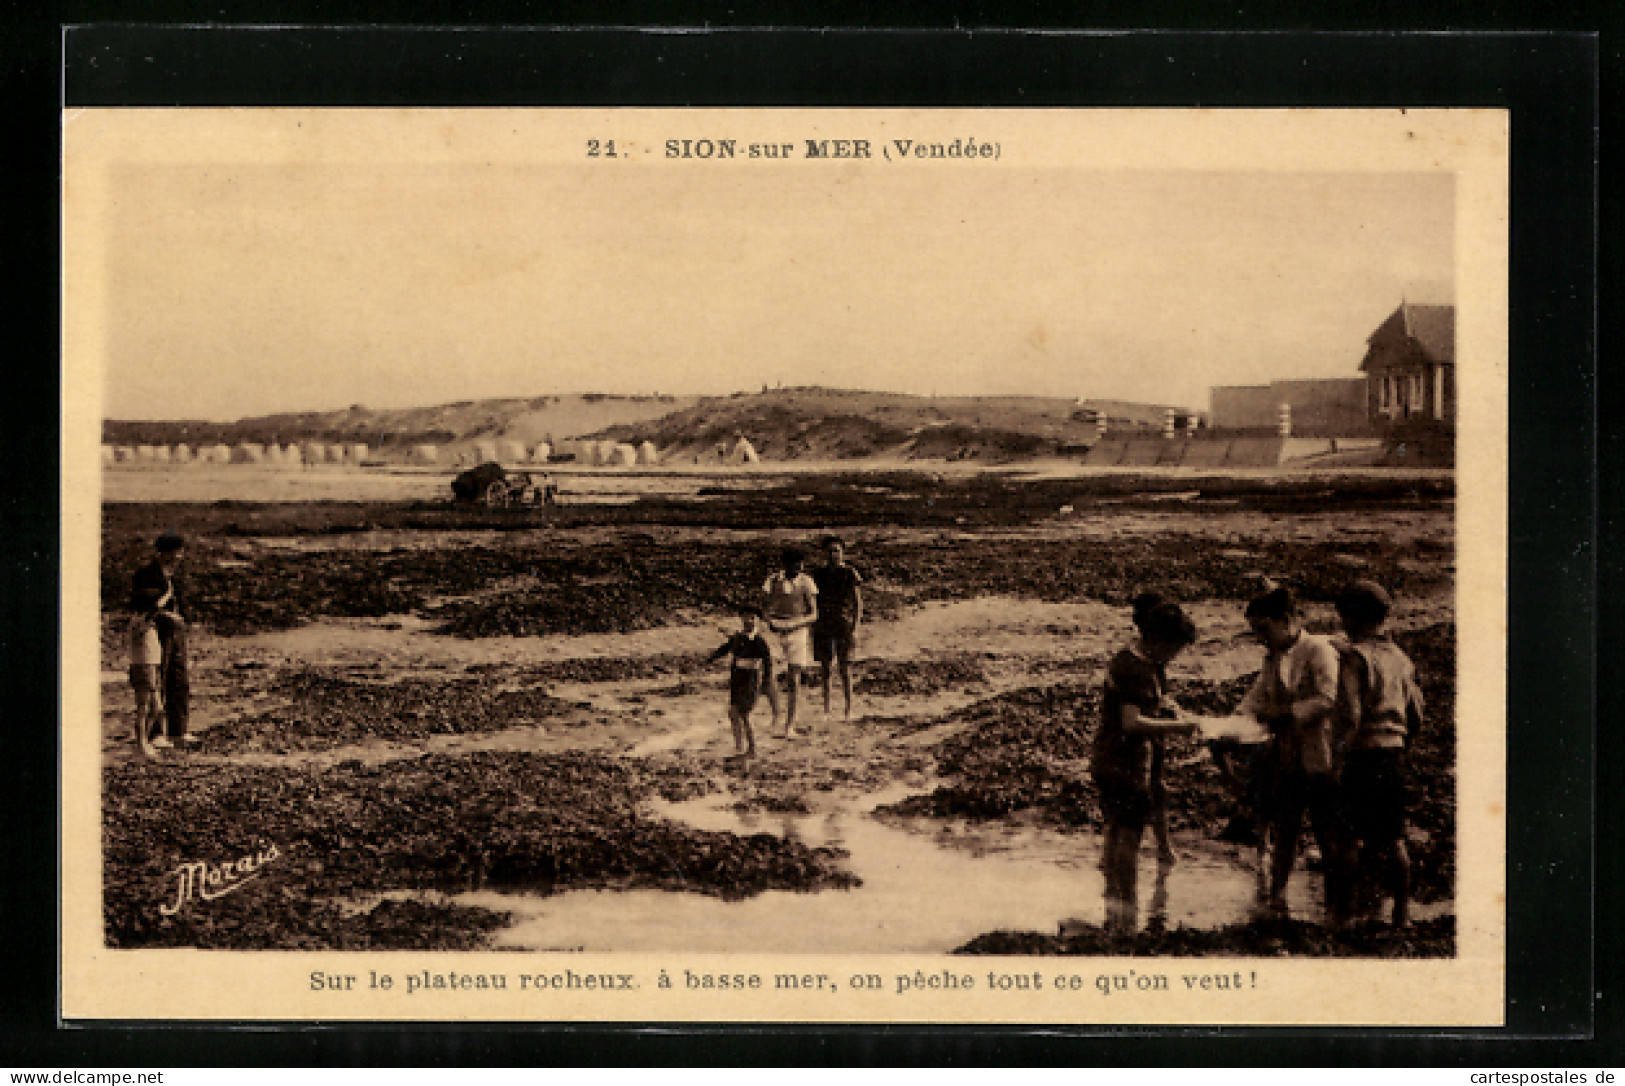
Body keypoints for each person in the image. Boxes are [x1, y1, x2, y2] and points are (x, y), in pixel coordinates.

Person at [1238, 584, 1351, 924]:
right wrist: (1227, 725)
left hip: (1321, 755)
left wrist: (1285, 715)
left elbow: (1327, 699)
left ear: (1286, 621)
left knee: (1325, 831)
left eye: (1263, 629)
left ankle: (1335, 907)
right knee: (1285, 827)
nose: (1260, 637)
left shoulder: (1318, 650)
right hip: (1288, 756)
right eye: (1255, 630)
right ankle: (1276, 897)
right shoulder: (1273, 657)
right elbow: (1255, 698)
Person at [1091, 598, 1199, 934]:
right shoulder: (1133, 668)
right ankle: (1127, 909)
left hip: (1118, 759)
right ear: (1156, 640)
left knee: (1118, 828)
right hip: (1121, 762)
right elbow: (1132, 722)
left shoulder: (1144, 663)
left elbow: (1156, 700)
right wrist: (1179, 728)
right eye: (1174, 650)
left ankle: (1114, 900)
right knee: (1129, 835)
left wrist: (1175, 711)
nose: (1174, 657)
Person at [1333, 579, 1425, 928]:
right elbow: (1417, 711)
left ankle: (1346, 913)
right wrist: (1405, 744)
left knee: (1349, 837)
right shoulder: (1400, 658)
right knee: (1395, 837)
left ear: (1350, 617)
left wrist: (1339, 757)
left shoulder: (1355, 658)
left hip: (1363, 754)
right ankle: (1402, 913)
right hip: (1393, 753)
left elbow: (1352, 715)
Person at [131, 531, 192, 748]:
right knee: (158, 682)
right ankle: (155, 734)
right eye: (174, 552)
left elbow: (182, 601)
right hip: (157, 631)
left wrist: (184, 619)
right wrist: (168, 615)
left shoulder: (176, 575)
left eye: (180, 552)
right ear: (161, 553)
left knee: (180, 680)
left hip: (177, 632)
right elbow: (143, 604)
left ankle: (179, 731)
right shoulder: (146, 574)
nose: (177, 557)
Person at [761, 547, 819, 736]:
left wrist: (795, 624)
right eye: (794, 563)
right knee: (769, 676)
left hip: (798, 630)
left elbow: (813, 614)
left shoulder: (807, 582)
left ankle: (790, 725)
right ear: (786, 564)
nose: (798, 567)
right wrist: (771, 623)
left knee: (794, 678)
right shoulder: (773, 580)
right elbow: (764, 608)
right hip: (776, 630)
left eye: (800, 563)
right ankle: (776, 714)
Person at [706, 606, 774, 760]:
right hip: (737, 677)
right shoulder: (738, 638)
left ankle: (752, 748)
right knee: (733, 712)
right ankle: (738, 747)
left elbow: (768, 663)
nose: (748, 621)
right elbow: (725, 648)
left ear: (758, 621)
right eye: (745, 617)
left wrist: (766, 682)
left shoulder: (759, 641)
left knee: (745, 714)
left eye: (752, 618)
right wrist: (711, 658)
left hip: (751, 678)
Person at [811, 535, 864, 722]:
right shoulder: (818, 574)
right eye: (830, 551)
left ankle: (848, 709)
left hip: (843, 623)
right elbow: (812, 600)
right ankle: (827, 709)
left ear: (843, 552)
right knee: (825, 667)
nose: (833, 554)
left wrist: (856, 627)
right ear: (824, 553)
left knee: (845, 667)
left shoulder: (850, 573)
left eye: (837, 551)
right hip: (823, 623)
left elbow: (858, 603)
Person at [127, 593, 164, 759]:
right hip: (142, 667)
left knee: (157, 708)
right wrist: (168, 591)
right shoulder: (138, 622)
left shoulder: (148, 624)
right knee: (143, 708)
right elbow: (156, 608)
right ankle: (141, 744)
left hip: (151, 667)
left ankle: (143, 741)